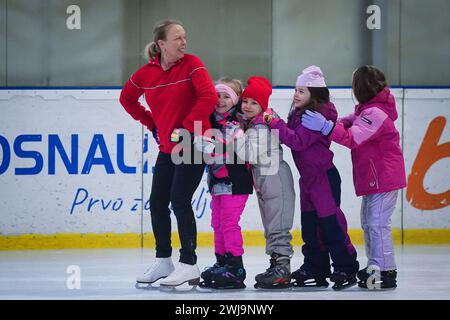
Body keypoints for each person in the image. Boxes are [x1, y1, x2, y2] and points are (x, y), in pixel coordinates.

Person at [119, 19, 217, 288]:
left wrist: (186, 128)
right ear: (161, 44)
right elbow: (126, 98)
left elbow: (208, 97)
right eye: (177, 38)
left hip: (193, 144)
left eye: (184, 37)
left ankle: (189, 263)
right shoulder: (146, 74)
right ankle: (164, 260)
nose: (184, 42)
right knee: (158, 201)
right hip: (167, 148)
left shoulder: (192, 64)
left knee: (180, 200)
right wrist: (151, 123)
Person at [301, 65, 406, 289]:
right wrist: (331, 123)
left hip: (383, 178)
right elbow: (348, 121)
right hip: (374, 177)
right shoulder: (367, 109)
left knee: (377, 224)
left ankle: (385, 271)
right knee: (370, 223)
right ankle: (375, 266)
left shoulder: (375, 113)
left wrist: (327, 127)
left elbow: (353, 137)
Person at [264, 66, 359, 290]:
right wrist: (276, 120)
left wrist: (274, 124)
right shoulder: (298, 113)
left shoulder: (316, 115)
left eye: (302, 91)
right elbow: (291, 133)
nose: (296, 94)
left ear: (314, 94)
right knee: (310, 226)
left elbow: (298, 141)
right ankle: (316, 266)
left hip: (323, 178)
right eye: (296, 90)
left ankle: (346, 266)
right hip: (307, 179)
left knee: (331, 224)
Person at [234, 76, 296, 290]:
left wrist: (236, 134)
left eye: (254, 103)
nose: (248, 106)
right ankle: (276, 265)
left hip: (275, 178)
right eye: (246, 101)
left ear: (262, 106)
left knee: (278, 225)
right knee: (272, 225)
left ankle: (282, 269)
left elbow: (249, 153)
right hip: (265, 179)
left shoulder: (261, 126)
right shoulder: (256, 122)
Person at [198, 78, 254, 290]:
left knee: (229, 223)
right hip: (217, 181)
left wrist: (204, 144)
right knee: (217, 223)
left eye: (226, 97)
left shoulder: (237, 123)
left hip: (236, 181)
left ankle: (235, 266)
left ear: (236, 100)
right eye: (217, 96)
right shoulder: (211, 120)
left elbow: (224, 149)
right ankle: (221, 262)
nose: (220, 101)